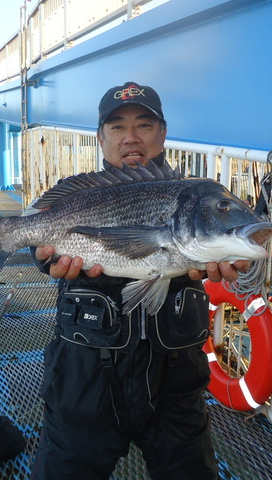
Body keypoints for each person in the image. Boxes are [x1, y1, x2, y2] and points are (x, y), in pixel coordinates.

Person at [31, 81, 249, 480]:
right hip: (85, 377)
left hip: (176, 382)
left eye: (144, 125)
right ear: (100, 138)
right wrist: (44, 258)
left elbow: (239, 244)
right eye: (117, 127)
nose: (131, 137)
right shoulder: (76, 193)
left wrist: (237, 263)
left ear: (162, 133)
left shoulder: (198, 195)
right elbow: (40, 236)